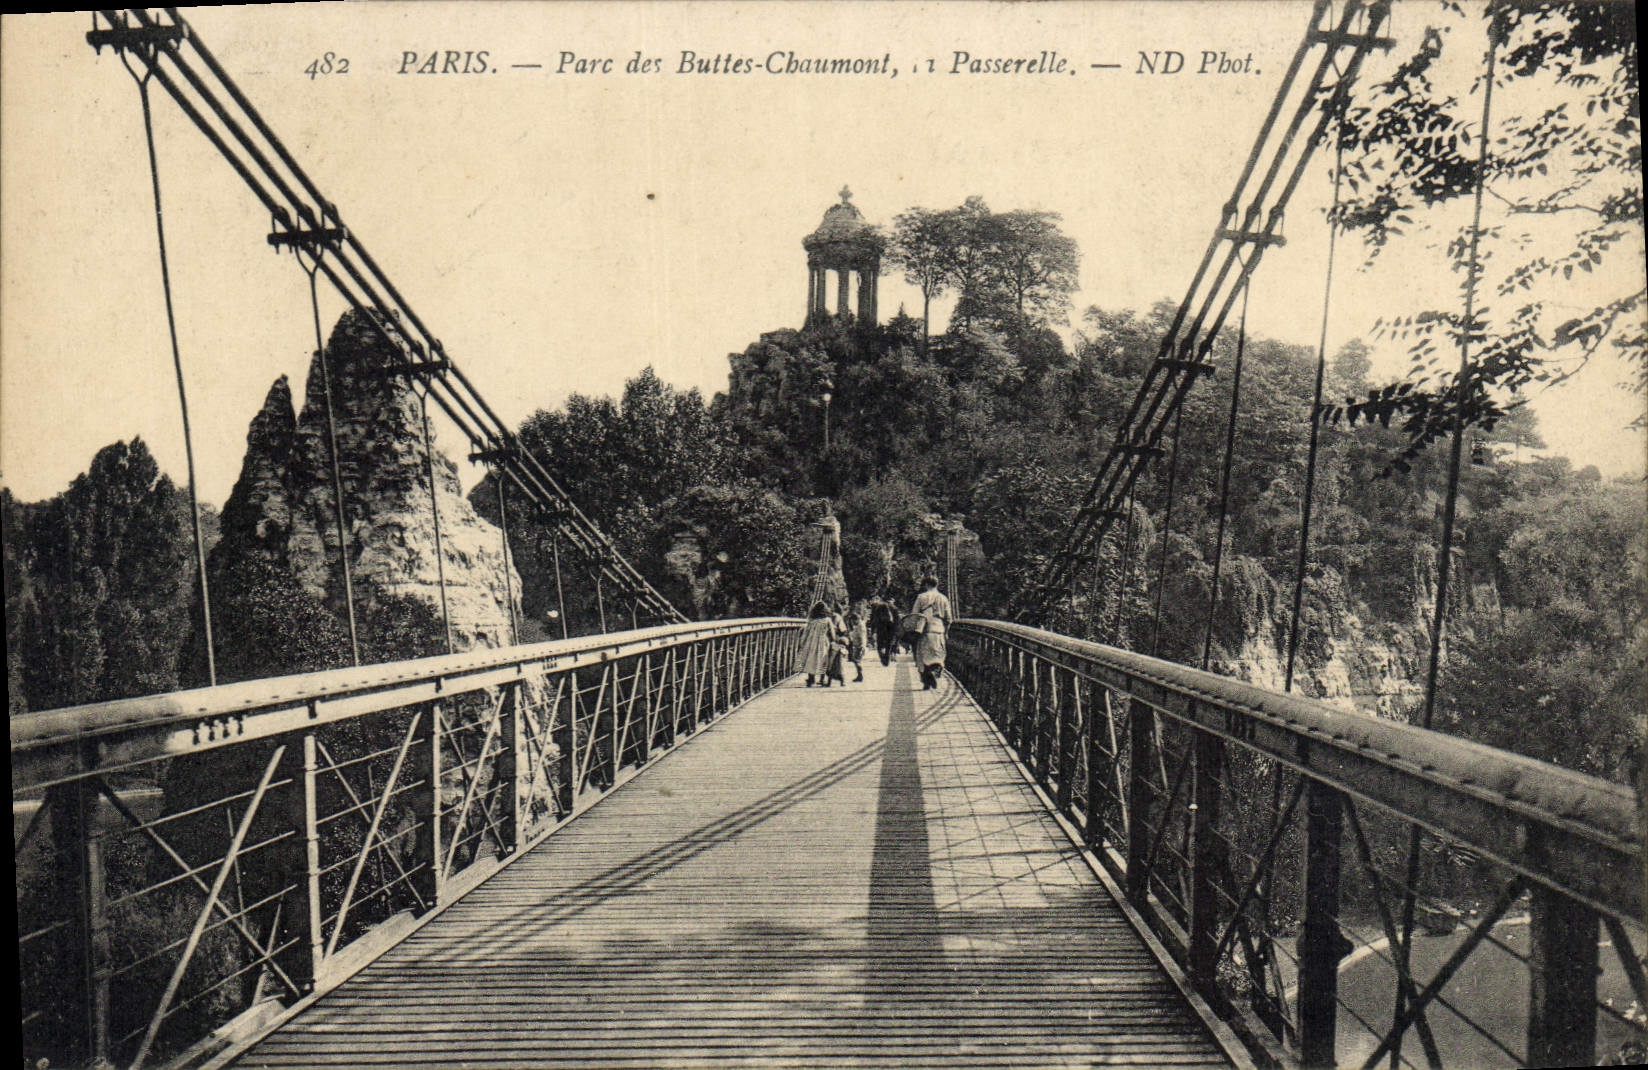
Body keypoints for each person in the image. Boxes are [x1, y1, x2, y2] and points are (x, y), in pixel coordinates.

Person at [910, 575, 953, 691]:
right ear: (937, 584)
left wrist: (913, 630)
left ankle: (926, 680)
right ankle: (934, 672)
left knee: (922, 655)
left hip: (924, 629)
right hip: (939, 629)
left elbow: (914, 616)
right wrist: (946, 632)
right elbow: (949, 619)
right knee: (938, 655)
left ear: (926, 585)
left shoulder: (921, 597)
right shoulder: (943, 598)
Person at [793, 601, 836, 687]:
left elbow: (806, 632)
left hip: (811, 641)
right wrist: (833, 640)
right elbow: (832, 633)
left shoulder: (811, 621)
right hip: (823, 641)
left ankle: (811, 678)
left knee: (811, 658)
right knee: (823, 659)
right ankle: (822, 679)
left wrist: (802, 642)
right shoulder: (827, 620)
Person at [868, 599, 898, 666]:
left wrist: (873, 631)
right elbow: (896, 621)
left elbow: (873, 621)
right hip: (890, 629)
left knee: (880, 645)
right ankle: (886, 658)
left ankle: (883, 658)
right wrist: (895, 631)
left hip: (880, 629)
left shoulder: (876, 609)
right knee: (888, 645)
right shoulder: (893, 609)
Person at [845, 604, 867, 682]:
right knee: (856, 660)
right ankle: (859, 675)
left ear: (856, 619)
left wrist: (861, 646)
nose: (852, 623)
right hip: (857, 645)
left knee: (857, 660)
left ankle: (860, 675)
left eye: (853, 621)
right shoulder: (859, 625)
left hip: (859, 646)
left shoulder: (860, 626)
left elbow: (862, 637)